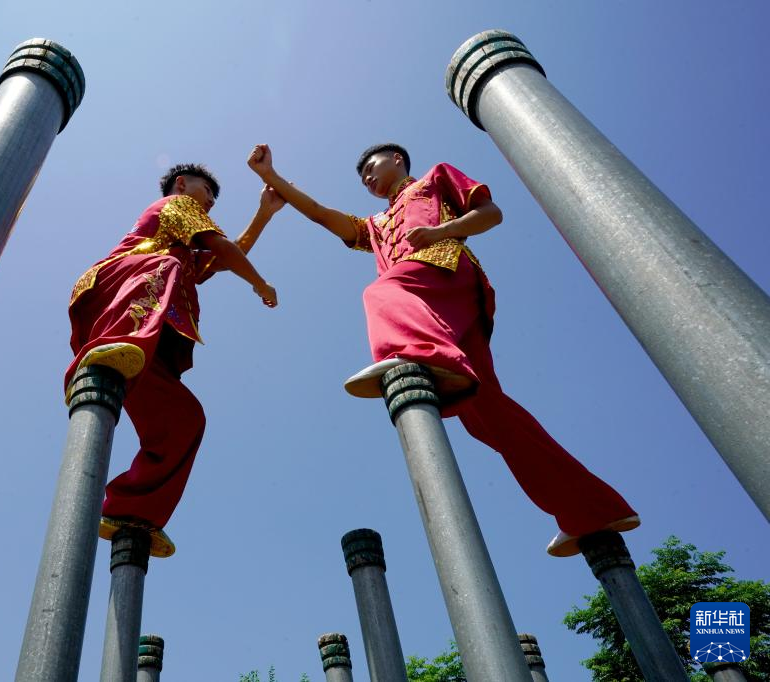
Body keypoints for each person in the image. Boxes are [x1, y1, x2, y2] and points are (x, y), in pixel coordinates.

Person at [247, 142, 637, 556]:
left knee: (381, 291)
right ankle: (589, 509)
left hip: (445, 274)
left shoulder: (434, 179)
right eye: (362, 179)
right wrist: (272, 178)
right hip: (431, 311)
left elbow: (491, 214)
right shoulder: (374, 225)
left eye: (371, 167)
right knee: (487, 416)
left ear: (397, 159)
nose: (367, 178)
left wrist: (439, 232)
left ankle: (423, 353)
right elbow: (322, 214)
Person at [66, 163, 281, 557]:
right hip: (119, 294)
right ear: (181, 185)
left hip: (148, 337)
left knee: (185, 420)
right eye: (207, 191)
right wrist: (259, 283)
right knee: (165, 265)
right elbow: (223, 248)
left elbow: (221, 258)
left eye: (213, 198)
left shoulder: (182, 243)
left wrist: (264, 214)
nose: (210, 201)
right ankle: (116, 341)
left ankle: (131, 511)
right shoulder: (176, 206)